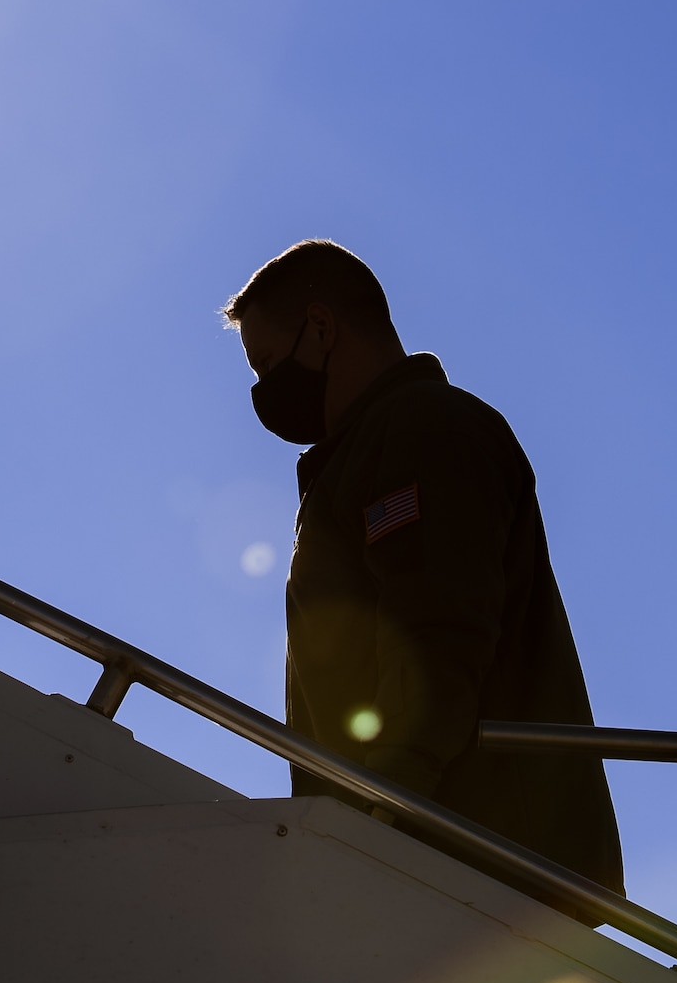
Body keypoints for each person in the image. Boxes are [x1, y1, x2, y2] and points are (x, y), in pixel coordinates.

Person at [225, 239, 623, 911]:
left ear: (320, 328)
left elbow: (436, 632)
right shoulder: (363, 456)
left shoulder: (421, 430)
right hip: (429, 853)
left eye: (268, 365)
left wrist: (382, 818)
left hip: (464, 862)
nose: (266, 393)